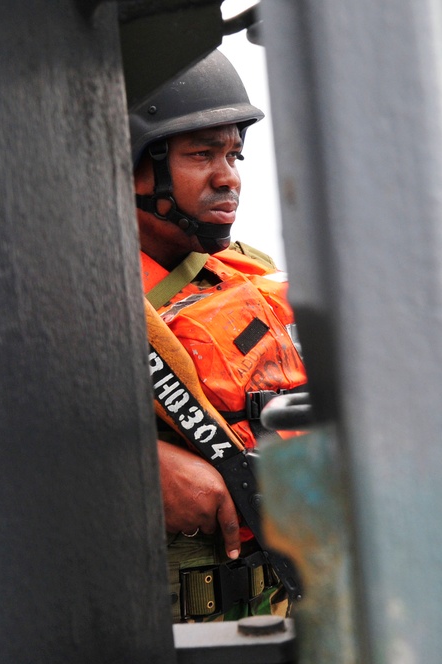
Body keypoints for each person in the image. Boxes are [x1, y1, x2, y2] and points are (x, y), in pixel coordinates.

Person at [129, 50, 307, 622]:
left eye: (234, 154)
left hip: (279, 604)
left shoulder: (246, 270)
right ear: (124, 163)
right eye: (200, 153)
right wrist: (133, 465)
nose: (227, 175)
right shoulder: (69, 303)